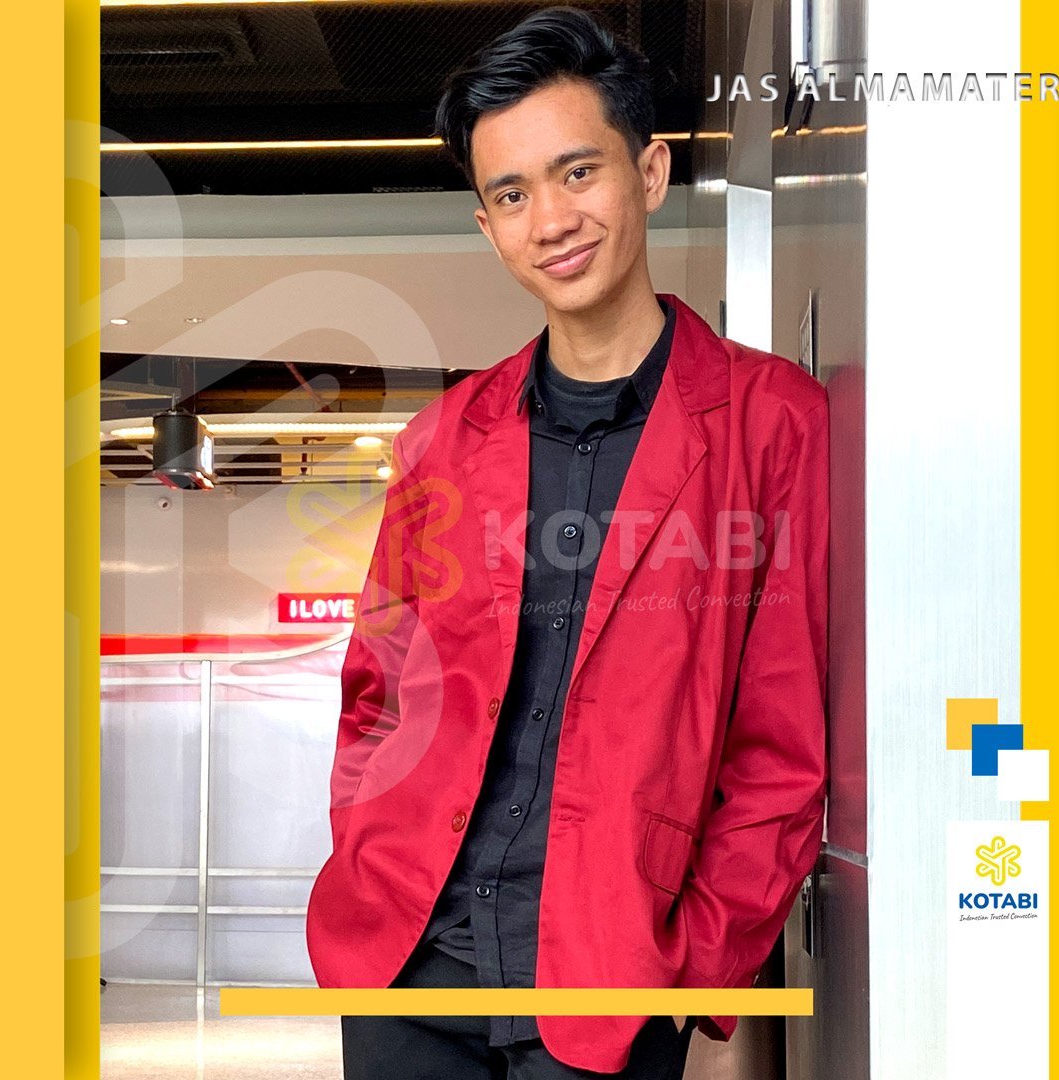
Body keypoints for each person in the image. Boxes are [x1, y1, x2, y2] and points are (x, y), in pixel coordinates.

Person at [306, 6, 830, 1078]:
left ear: (651, 171)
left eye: (577, 172)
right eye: (511, 194)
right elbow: (378, 693)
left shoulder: (772, 423)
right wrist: (365, 849)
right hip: (412, 965)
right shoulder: (444, 440)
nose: (550, 219)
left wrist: (694, 965)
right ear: (487, 225)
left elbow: (782, 749)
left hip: (611, 976)